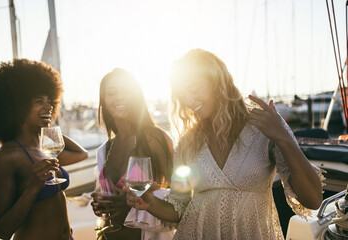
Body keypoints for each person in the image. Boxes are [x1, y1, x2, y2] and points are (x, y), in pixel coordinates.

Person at [126, 49, 325, 239]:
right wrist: (150, 203)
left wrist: (284, 137)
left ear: (217, 82)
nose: (188, 100)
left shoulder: (263, 125)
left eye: (194, 89)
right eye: (181, 94)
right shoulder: (188, 142)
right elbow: (180, 206)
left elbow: (313, 200)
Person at [0, 59, 89, 240]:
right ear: (17, 107)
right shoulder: (7, 158)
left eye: (50, 100)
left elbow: (81, 154)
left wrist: (51, 130)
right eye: (38, 100)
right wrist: (33, 187)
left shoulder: (43, 148)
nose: (49, 106)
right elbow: (3, 231)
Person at [91, 68, 174, 240]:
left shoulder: (155, 139)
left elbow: (181, 202)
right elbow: (103, 198)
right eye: (112, 93)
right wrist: (100, 204)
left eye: (127, 91)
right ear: (104, 101)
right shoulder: (105, 150)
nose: (120, 97)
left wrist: (135, 202)